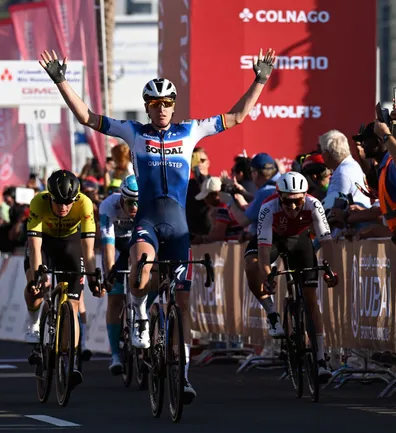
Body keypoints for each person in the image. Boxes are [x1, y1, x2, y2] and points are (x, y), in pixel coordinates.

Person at [39, 46, 276, 401]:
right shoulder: (134, 132)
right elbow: (88, 117)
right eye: (155, 104)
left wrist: (260, 79)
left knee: (182, 306)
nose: (161, 109)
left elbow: (237, 116)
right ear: (147, 106)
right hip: (148, 220)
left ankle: (183, 378)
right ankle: (140, 315)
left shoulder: (190, 131)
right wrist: (60, 80)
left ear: (173, 105)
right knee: (140, 270)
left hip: (178, 227)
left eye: (167, 103)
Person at [247, 172, 339, 381]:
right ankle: (272, 314)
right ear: (279, 197)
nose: (294, 207)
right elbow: (263, 250)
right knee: (252, 267)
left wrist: (331, 269)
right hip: (272, 240)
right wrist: (268, 276)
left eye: (298, 201)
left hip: (299, 240)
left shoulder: (314, 205)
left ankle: (320, 358)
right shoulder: (268, 207)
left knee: (311, 299)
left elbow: (326, 240)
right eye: (288, 202)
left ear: (305, 196)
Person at [23, 170, 102, 388]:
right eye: (59, 202)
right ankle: (33, 325)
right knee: (35, 285)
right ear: (50, 197)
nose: (64, 207)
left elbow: (88, 250)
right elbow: (35, 247)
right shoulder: (38, 202)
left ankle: (70, 359)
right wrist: (39, 273)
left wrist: (94, 276)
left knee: (74, 304)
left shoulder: (84, 203)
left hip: (71, 244)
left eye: (68, 202)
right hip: (45, 244)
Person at [99, 174, 138, 375]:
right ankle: (115, 355)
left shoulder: (144, 205)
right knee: (115, 298)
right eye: (130, 202)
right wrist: (109, 274)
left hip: (137, 243)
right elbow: (108, 248)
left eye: (137, 202)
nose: (134, 207)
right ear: (121, 198)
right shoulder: (108, 206)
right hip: (116, 246)